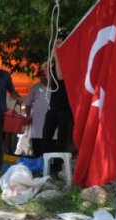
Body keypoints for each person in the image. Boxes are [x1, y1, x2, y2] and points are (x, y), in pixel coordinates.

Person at [41, 39, 73, 174]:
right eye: (55, 44)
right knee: (46, 133)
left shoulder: (67, 63)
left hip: (65, 106)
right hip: (54, 105)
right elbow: (51, 85)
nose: (56, 46)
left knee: (62, 137)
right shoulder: (55, 64)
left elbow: (60, 77)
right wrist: (47, 69)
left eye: (59, 44)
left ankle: (58, 166)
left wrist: (57, 56)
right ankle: (47, 162)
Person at [24, 63, 51, 157]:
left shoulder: (55, 88)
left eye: (46, 75)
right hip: (37, 123)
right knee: (37, 148)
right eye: (42, 75)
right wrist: (28, 116)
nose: (44, 77)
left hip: (52, 124)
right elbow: (27, 104)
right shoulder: (35, 88)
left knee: (49, 148)